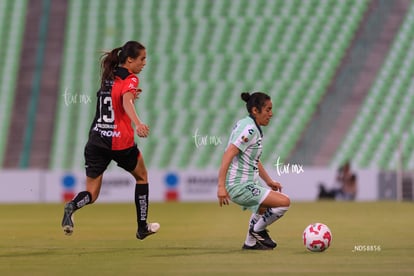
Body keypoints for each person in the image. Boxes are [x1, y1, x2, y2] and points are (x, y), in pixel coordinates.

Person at [61, 41, 160, 240]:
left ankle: (72, 205)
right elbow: (126, 101)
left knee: (92, 193)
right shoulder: (131, 79)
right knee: (142, 177)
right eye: (142, 59)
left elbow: (119, 99)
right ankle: (142, 227)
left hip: (97, 139)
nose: (145, 63)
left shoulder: (109, 75)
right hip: (119, 141)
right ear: (130, 60)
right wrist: (138, 123)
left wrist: (131, 97)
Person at [217, 92, 290, 250]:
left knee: (263, 206)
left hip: (247, 182)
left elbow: (252, 158)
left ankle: (250, 243)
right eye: (268, 110)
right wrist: (221, 186)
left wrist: (268, 180)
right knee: (284, 202)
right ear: (255, 111)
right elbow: (229, 152)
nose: (271, 114)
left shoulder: (248, 125)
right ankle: (257, 230)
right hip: (239, 185)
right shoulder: (249, 129)